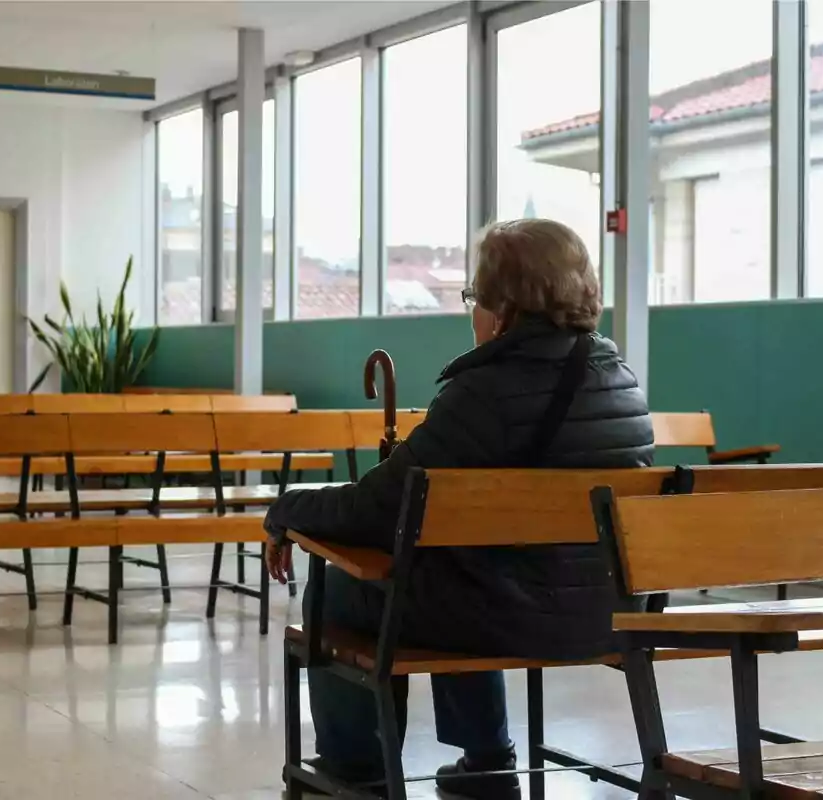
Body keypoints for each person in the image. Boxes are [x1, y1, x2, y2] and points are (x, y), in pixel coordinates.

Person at [263, 218, 653, 799]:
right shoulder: (620, 379)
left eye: (475, 297)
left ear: (504, 309)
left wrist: (286, 511)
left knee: (338, 589)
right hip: (612, 615)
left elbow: (378, 507)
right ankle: (488, 761)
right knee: (467, 569)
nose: (472, 312)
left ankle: (356, 766)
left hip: (513, 614)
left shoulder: (484, 393)